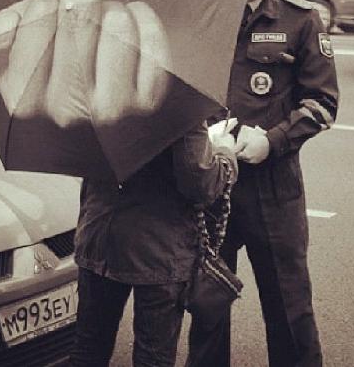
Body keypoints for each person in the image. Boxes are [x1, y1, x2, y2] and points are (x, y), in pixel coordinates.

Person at [186, 0, 339, 367]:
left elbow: (323, 103)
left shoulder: (301, 20)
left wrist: (271, 142)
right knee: (207, 309)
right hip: (213, 185)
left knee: (290, 309)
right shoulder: (202, 17)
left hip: (275, 188)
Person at [71, 120, 239, 366]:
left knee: (88, 349)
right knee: (153, 358)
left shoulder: (92, 99)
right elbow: (199, 184)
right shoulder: (182, 104)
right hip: (159, 247)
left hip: (100, 232)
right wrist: (225, 154)